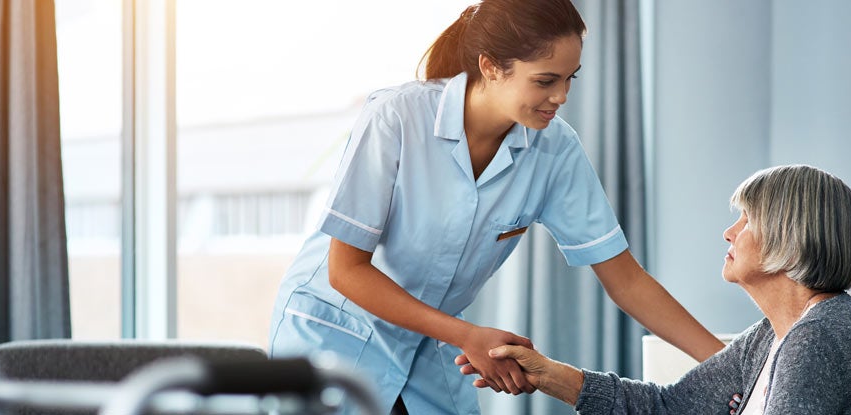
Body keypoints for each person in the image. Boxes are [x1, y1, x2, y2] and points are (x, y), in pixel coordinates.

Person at [266, 1, 722, 413]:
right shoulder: (397, 118)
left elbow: (626, 280)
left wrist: (732, 367)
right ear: (490, 67)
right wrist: (467, 336)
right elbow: (346, 271)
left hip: (433, 344)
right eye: (546, 80)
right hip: (336, 332)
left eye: (570, 79)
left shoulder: (555, 149)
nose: (562, 97)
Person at [459, 164, 851, 415]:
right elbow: (671, 408)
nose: (729, 232)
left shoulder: (815, 338)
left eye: (746, 220)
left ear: (790, 234)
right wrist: (546, 374)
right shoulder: (772, 336)